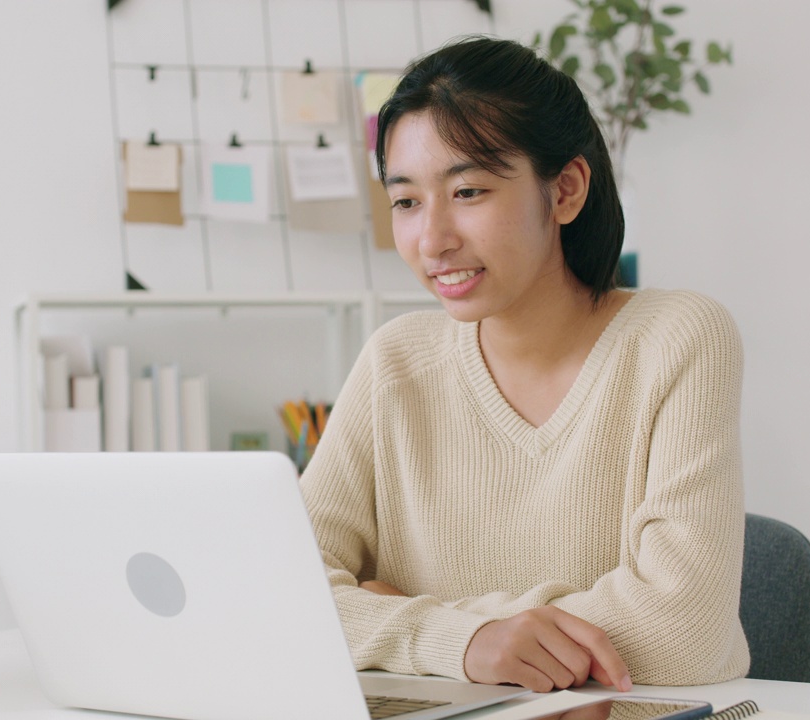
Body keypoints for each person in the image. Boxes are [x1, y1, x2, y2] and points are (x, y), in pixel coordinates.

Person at [298, 36, 750, 693]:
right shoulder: (395, 362)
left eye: (470, 191)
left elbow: (681, 634)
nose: (433, 239)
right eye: (406, 202)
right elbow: (282, 593)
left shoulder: (678, 339)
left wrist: (401, 615)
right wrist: (462, 640)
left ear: (565, 190)